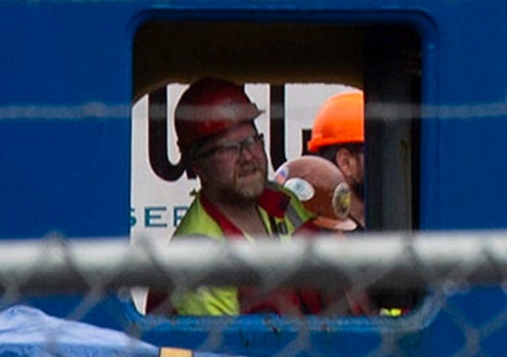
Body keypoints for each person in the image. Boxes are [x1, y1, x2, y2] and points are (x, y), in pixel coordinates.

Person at [146, 81, 362, 320]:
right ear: (197, 164)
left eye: (252, 141)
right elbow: (220, 354)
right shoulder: (198, 252)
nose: (248, 157)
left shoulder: (282, 200)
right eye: (229, 148)